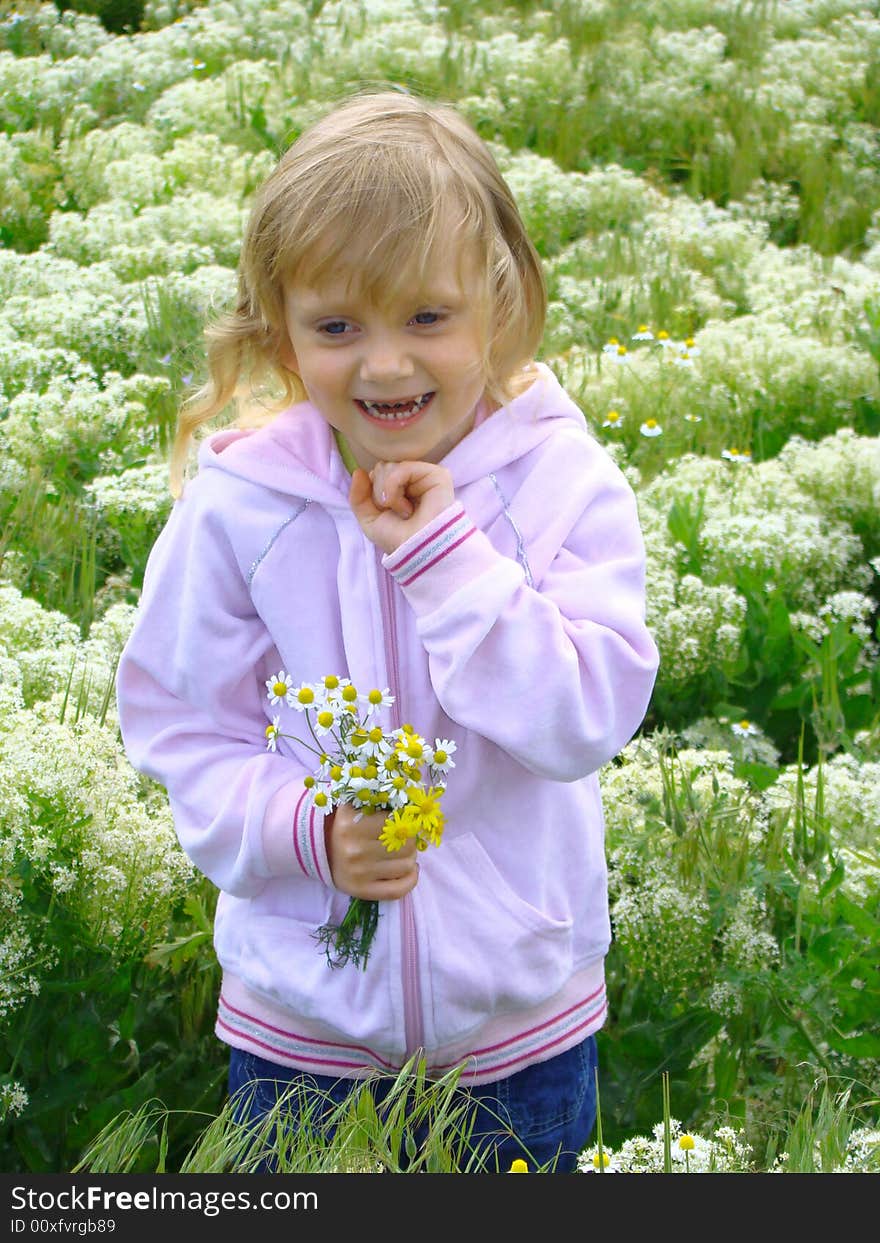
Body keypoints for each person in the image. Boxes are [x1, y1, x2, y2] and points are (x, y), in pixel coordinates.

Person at [115, 87, 659, 1174]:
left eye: (426, 318)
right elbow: (180, 727)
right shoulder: (242, 503)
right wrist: (309, 833)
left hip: (518, 1037)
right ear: (280, 328)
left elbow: (585, 716)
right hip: (301, 1032)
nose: (385, 365)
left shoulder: (559, 480)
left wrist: (443, 559)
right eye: (335, 327)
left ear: (498, 304)